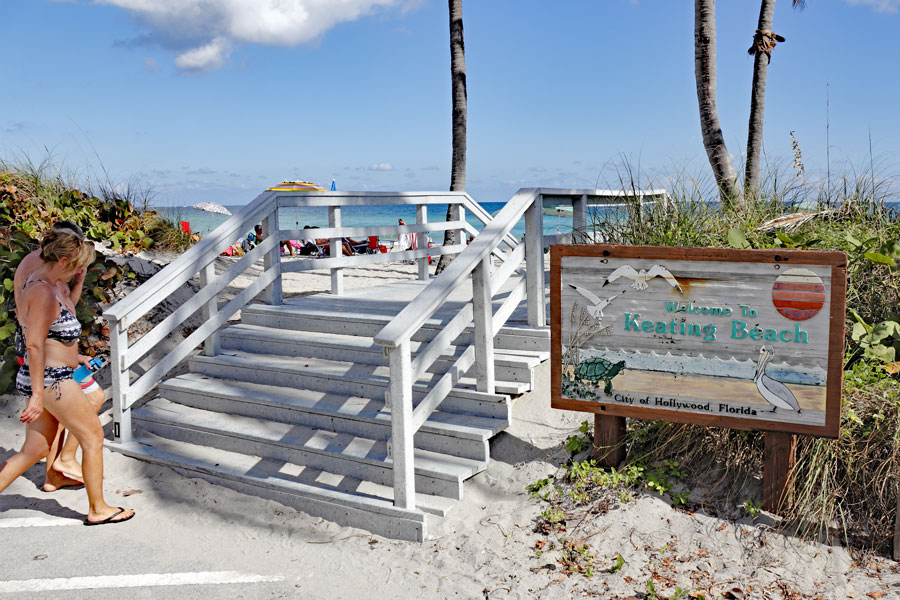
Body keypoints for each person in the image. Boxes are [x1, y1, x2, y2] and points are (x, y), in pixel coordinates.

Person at [1, 228, 134, 525]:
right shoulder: (43, 292)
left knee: (34, 450)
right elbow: (34, 344)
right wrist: (37, 395)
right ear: (62, 261)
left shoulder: (46, 285)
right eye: (74, 266)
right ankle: (98, 508)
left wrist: (79, 279)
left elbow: (52, 336)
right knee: (93, 437)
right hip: (54, 380)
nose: (75, 272)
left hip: (50, 377)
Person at [12, 221, 105, 492]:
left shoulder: (52, 272)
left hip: (51, 354)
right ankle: (63, 463)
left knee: (41, 440)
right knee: (88, 404)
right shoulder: (40, 272)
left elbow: (65, 309)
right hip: (46, 359)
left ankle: (55, 473)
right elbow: (38, 334)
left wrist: (80, 277)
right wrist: (39, 392)